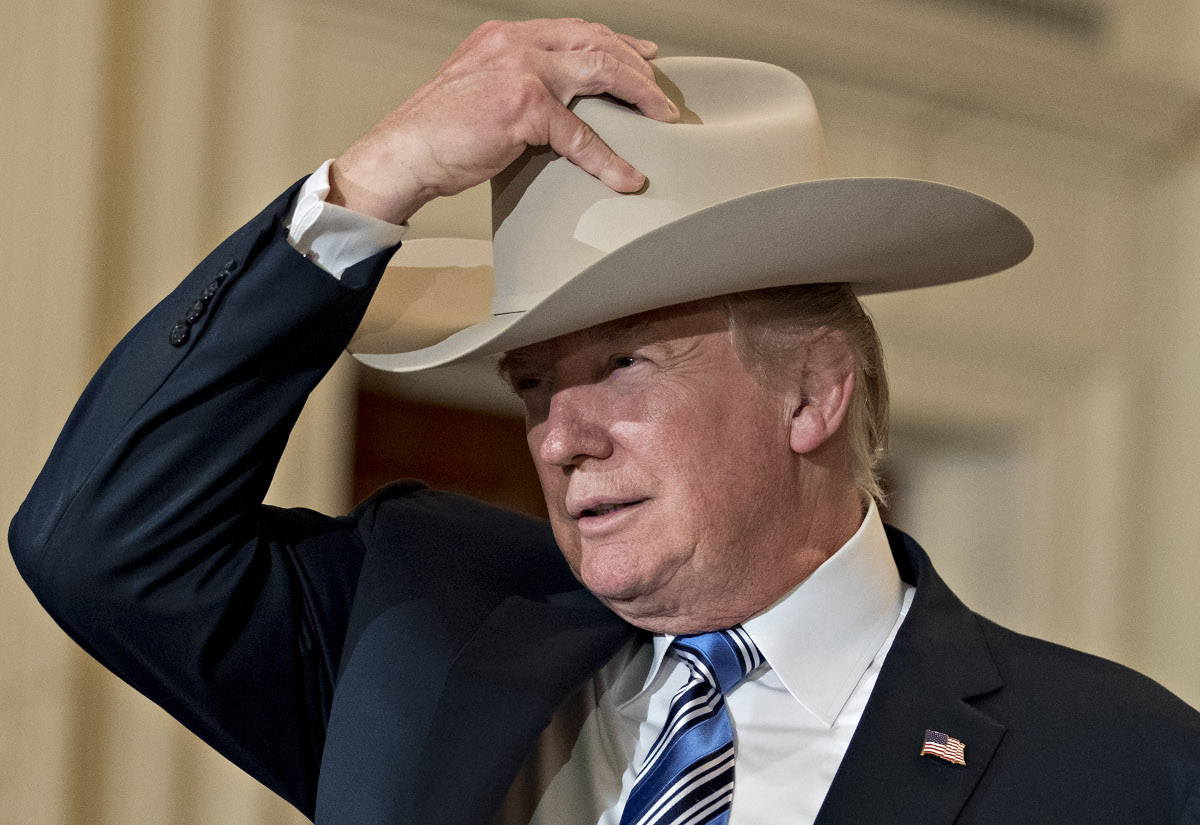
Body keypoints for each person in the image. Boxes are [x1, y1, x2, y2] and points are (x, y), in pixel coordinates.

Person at [9, 17, 1200, 825]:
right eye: (534, 387)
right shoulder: (418, 630)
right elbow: (101, 543)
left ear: (813, 392)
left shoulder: (1121, 763)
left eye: (624, 364)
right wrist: (374, 185)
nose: (557, 438)